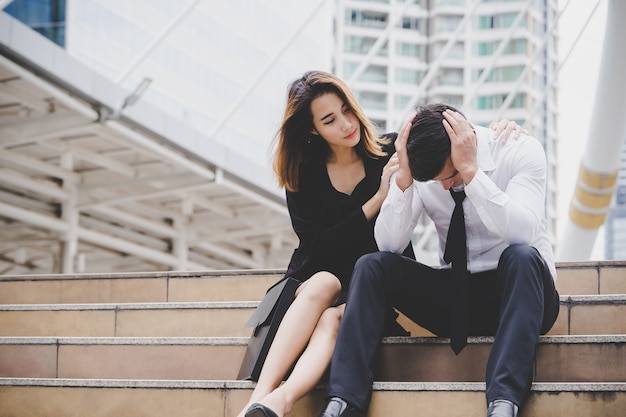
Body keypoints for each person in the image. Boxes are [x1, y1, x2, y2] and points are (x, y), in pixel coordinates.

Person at [240, 73, 523, 417]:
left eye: (347, 110)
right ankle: (257, 398)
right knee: (324, 282)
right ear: (313, 130)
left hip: (368, 290)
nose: (347, 124)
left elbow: (448, 144)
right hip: (315, 282)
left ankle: (277, 404)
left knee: (336, 318)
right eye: (330, 120)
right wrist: (377, 199)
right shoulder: (303, 172)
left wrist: (498, 132)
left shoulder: (391, 151)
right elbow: (319, 249)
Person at [316, 103, 559, 417]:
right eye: (438, 180)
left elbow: (524, 232)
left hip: (522, 296)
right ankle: (345, 402)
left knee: (522, 256)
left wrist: (470, 173)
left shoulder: (518, 150)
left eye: (452, 174)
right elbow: (389, 244)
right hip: (456, 300)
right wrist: (403, 181)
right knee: (371, 265)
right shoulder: (425, 170)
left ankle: (504, 403)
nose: (445, 185)